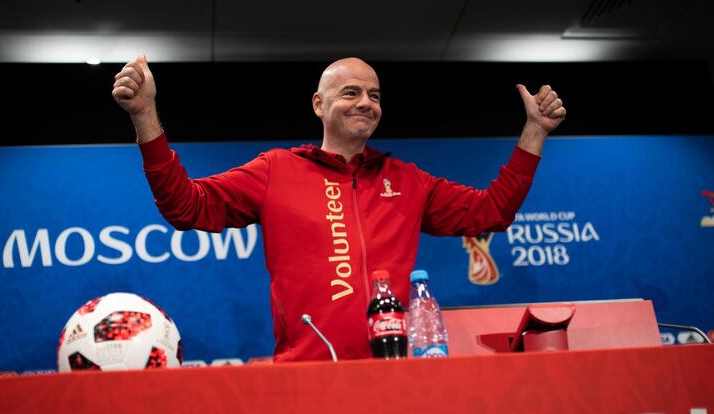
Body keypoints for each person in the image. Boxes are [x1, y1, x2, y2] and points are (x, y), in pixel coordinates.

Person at [112, 56, 566, 362]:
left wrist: (535, 132)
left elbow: (491, 212)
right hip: (307, 376)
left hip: (396, 373)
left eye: (375, 95)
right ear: (319, 104)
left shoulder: (408, 180)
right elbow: (185, 205)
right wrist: (144, 115)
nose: (366, 103)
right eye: (351, 93)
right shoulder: (276, 170)